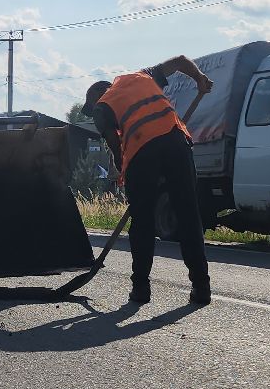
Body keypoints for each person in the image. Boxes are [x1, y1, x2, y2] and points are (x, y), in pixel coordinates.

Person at [85, 56, 214, 307]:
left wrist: (125, 173)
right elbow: (179, 61)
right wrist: (199, 79)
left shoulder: (102, 107)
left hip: (143, 154)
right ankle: (201, 287)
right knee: (188, 215)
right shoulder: (142, 76)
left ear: (96, 97)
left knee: (142, 222)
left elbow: (115, 146)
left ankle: (141, 288)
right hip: (176, 143)